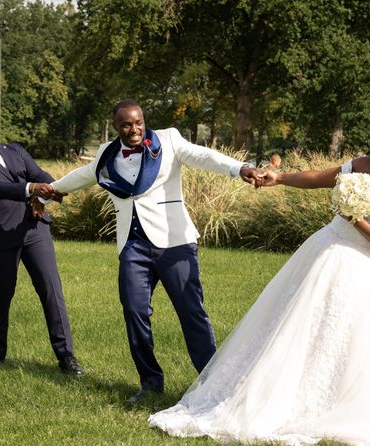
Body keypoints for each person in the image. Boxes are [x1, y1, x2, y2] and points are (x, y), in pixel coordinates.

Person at [40, 100, 261, 401]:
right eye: (127, 125)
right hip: (132, 246)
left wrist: (240, 168)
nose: (134, 129)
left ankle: (213, 384)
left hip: (174, 242)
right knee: (134, 312)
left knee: (191, 312)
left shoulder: (168, 139)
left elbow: (202, 155)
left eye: (138, 122)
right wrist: (46, 195)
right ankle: (150, 383)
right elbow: (81, 176)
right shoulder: (107, 153)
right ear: (117, 127)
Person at [149, 156, 370, 446]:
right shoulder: (362, 163)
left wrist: (354, 217)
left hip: (359, 260)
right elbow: (318, 177)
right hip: (327, 253)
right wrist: (278, 178)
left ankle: (340, 401)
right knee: (301, 325)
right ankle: (282, 394)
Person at [0, 104, 83, 375]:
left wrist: (45, 193)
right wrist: (29, 189)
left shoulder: (14, 150)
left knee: (51, 291)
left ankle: (66, 356)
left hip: (34, 229)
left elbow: (40, 175)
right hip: (0, 234)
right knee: (2, 295)